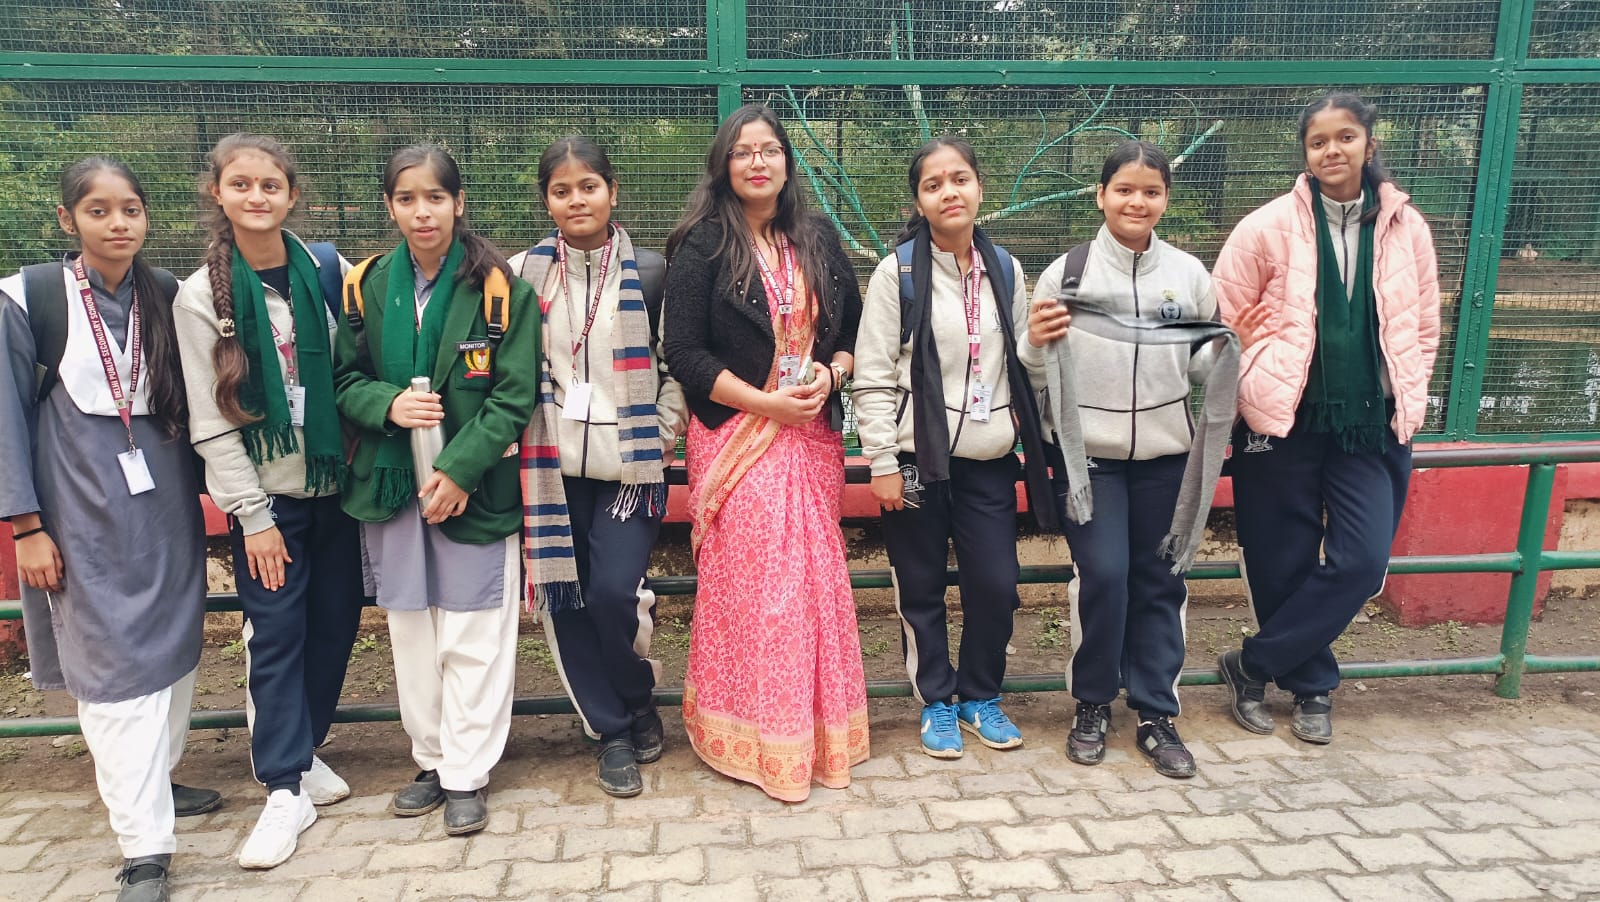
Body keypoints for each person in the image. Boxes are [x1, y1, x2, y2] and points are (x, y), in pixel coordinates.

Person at [0, 157, 212, 902]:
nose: (117, 223)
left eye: (130, 209)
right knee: (112, 669)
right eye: (98, 210)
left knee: (176, 648)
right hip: (79, 512)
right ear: (68, 219)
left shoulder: (167, 294)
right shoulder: (29, 300)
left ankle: (157, 780)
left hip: (166, 509)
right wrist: (26, 526)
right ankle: (145, 848)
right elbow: (4, 418)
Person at [1213, 92, 1441, 744]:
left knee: (1361, 563)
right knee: (1278, 561)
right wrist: (1249, 367)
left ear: (1369, 143)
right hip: (1278, 419)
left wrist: (1408, 389)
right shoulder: (1264, 227)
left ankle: (1250, 664)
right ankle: (1312, 686)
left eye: (1345, 137)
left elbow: (1424, 324)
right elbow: (1220, 322)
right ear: (1306, 152)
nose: (1332, 150)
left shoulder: (1407, 228)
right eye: (1318, 141)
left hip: (1370, 423)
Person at [661, 103, 868, 802]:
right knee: (762, 590)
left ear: (786, 161)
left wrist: (831, 375)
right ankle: (751, 737)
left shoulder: (816, 237)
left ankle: (817, 737)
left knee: (814, 587)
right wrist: (766, 403)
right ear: (724, 165)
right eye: (743, 151)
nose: (757, 162)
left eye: (769, 150)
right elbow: (684, 353)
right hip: (737, 436)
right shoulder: (702, 245)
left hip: (809, 434)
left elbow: (851, 329)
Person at [334, 144, 540, 833]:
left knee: (473, 632)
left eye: (435, 198)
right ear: (389, 206)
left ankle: (466, 773)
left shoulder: (501, 289)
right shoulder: (364, 285)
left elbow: (513, 396)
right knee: (412, 635)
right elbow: (345, 379)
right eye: (407, 199)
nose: (422, 212)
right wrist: (388, 404)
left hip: (474, 490)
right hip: (393, 487)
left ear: (459, 203)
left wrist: (458, 471)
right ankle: (430, 759)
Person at [173, 133, 364, 868]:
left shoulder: (325, 270)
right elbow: (210, 420)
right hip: (268, 503)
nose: (257, 196)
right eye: (241, 184)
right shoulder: (200, 296)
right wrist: (251, 518)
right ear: (217, 193)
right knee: (277, 634)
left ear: (292, 195)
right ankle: (284, 788)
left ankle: (303, 751)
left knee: (336, 622)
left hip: (335, 488)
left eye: (270, 185)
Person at [1020, 140, 1238, 779]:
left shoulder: (1189, 275)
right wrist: (1033, 343)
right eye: (1124, 189)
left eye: (1150, 191)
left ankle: (1155, 712)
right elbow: (1035, 372)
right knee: (1106, 576)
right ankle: (1091, 703)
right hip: (1090, 463)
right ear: (1101, 195)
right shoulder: (1068, 275)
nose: (1136, 202)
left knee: (1161, 581)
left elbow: (1199, 368)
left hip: (1167, 457)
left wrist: (1230, 345)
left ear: (1165, 199)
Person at [853, 136, 1057, 760]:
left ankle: (979, 695)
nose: (950, 192)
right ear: (918, 200)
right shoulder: (897, 274)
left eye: (960, 179)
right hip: (915, 461)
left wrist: (1038, 342)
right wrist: (881, 461)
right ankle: (937, 701)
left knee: (995, 584)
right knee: (920, 587)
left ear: (979, 188)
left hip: (988, 459)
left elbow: (1023, 368)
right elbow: (873, 374)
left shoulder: (1006, 269)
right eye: (934, 184)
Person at [510, 136, 686, 798]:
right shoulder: (522, 274)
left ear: (613, 191)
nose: (576, 200)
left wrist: (662, 431)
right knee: (567, 599)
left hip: (630, 467)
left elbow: (678, 365)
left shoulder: (651, 272)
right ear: (546, 201)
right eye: (562, 190)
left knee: (613, 593)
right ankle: (611, 729)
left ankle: (638, 698)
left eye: (589, 186)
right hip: (551, 468)